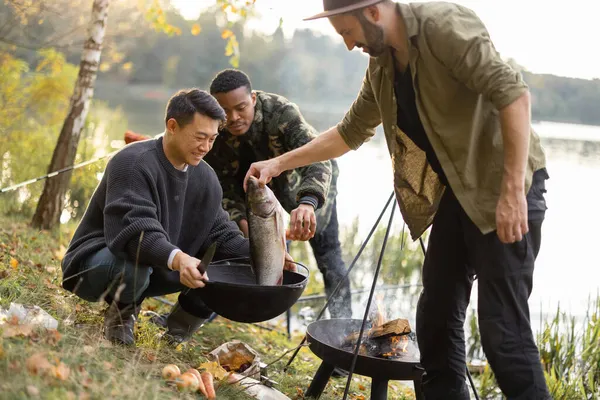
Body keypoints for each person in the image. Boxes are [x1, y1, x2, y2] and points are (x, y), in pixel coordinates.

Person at [243, 1, 551, 399]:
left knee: (503, 334)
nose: (349, 45)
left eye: (346, 32)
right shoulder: (382, 64)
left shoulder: (443, 26)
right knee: (436, 317)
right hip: (460, 195)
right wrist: (278, 164)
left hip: (508, 187)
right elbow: (349, 132)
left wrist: (512, 194)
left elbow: (514, 96)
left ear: (372, 12)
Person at [61, 88, 293, 347]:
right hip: (98, 263)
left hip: (158, 267)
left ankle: (177, 329)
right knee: (135, 263)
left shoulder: (205, 178)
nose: (206, 147)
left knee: (227, 265)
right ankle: (121, 316)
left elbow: (220, 233)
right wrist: (180, 259)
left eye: (213, 139)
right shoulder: (132, 162)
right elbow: (136, 232)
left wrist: (267, 255)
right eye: (200, 137)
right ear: (172, 126)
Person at [204, 69, 352, 320]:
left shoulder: (282, 112)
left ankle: (343, 324)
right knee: (267, 258)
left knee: (329, 257)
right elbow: (224, 186)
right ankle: (238, 312)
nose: (233, 117)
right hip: (259, 202)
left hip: (307, 187)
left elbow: (319, 158)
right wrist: (247, 225)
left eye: (240, 107)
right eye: (225, 111)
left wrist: (308, 204)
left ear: (252, 98)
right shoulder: (215, 128)